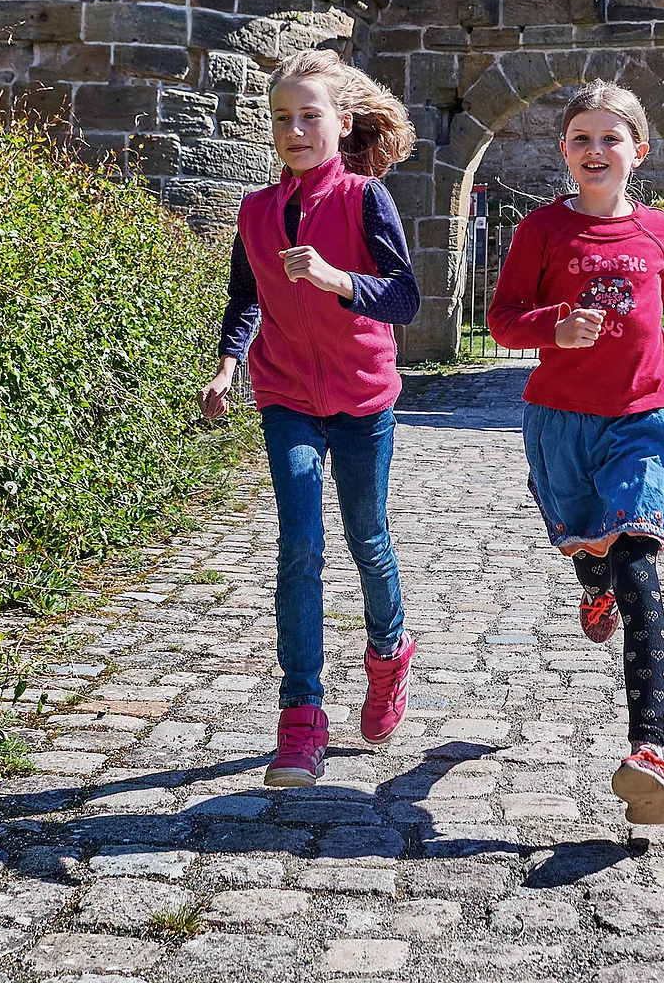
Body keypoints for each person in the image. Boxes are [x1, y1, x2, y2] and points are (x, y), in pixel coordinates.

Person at [486, 81, 664, 825]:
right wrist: (554, 326)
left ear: (639, 152)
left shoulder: (657, 234)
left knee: (638, 554)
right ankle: (591, 585)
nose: (596, 149)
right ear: (564, 153)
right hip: (562, 423)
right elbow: (503, 321)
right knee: (592, 551)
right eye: (582, 137)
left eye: (612, 138)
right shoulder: (541, 232)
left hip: (645, 416)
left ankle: (650, 752)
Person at [200, 48, 420, 787]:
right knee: (300, 545)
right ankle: (302, 717)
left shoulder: (365, 200)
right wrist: (228, 364)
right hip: (286, 394)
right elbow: (244, 297)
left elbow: (403, 298)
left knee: (367, 538)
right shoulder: (256, 210)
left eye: (310, 117)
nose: (296, 131)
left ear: (341, 122)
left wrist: (338, 281)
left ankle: (389, 654)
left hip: (363, 398)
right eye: (283, 119)